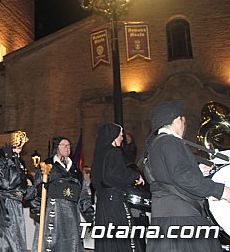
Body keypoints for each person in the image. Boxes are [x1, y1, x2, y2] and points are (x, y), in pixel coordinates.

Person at [144, 101, 230, 252]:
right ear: (178, 120)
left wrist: (197, 170)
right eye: (184, 120)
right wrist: (221, 190)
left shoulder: (155, 144)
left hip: (165, 215)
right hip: (183, 216)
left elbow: (169, 175)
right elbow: (183, 177)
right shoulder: (171, 142)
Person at [31, 137, 94, 252]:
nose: (67, 147)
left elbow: (83, 194)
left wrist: (89, 213)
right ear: (57, 148)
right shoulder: (47, 166)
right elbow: (36, 190)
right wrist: (37, 210)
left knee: (71, 244)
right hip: (53, 212)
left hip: (71, 214)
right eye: (63, 145)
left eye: (69, 145)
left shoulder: (75, 170)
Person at [92, 123, 144, 252]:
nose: (122, 137)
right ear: (113, 136)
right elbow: (114, 175)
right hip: (115, 203)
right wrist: (135, 176)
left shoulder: (100, 153)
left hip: (103, 203)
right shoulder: (114, 152)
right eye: (121, 134)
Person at [0, 142, 36, 252]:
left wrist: (36, 189)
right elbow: (6, 183)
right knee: (6, 241)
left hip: (16, 206)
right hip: (3, 206)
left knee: (17, 241)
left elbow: (21, 189)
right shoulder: (0, 161)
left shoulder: (20, 162)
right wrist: (9, 159)